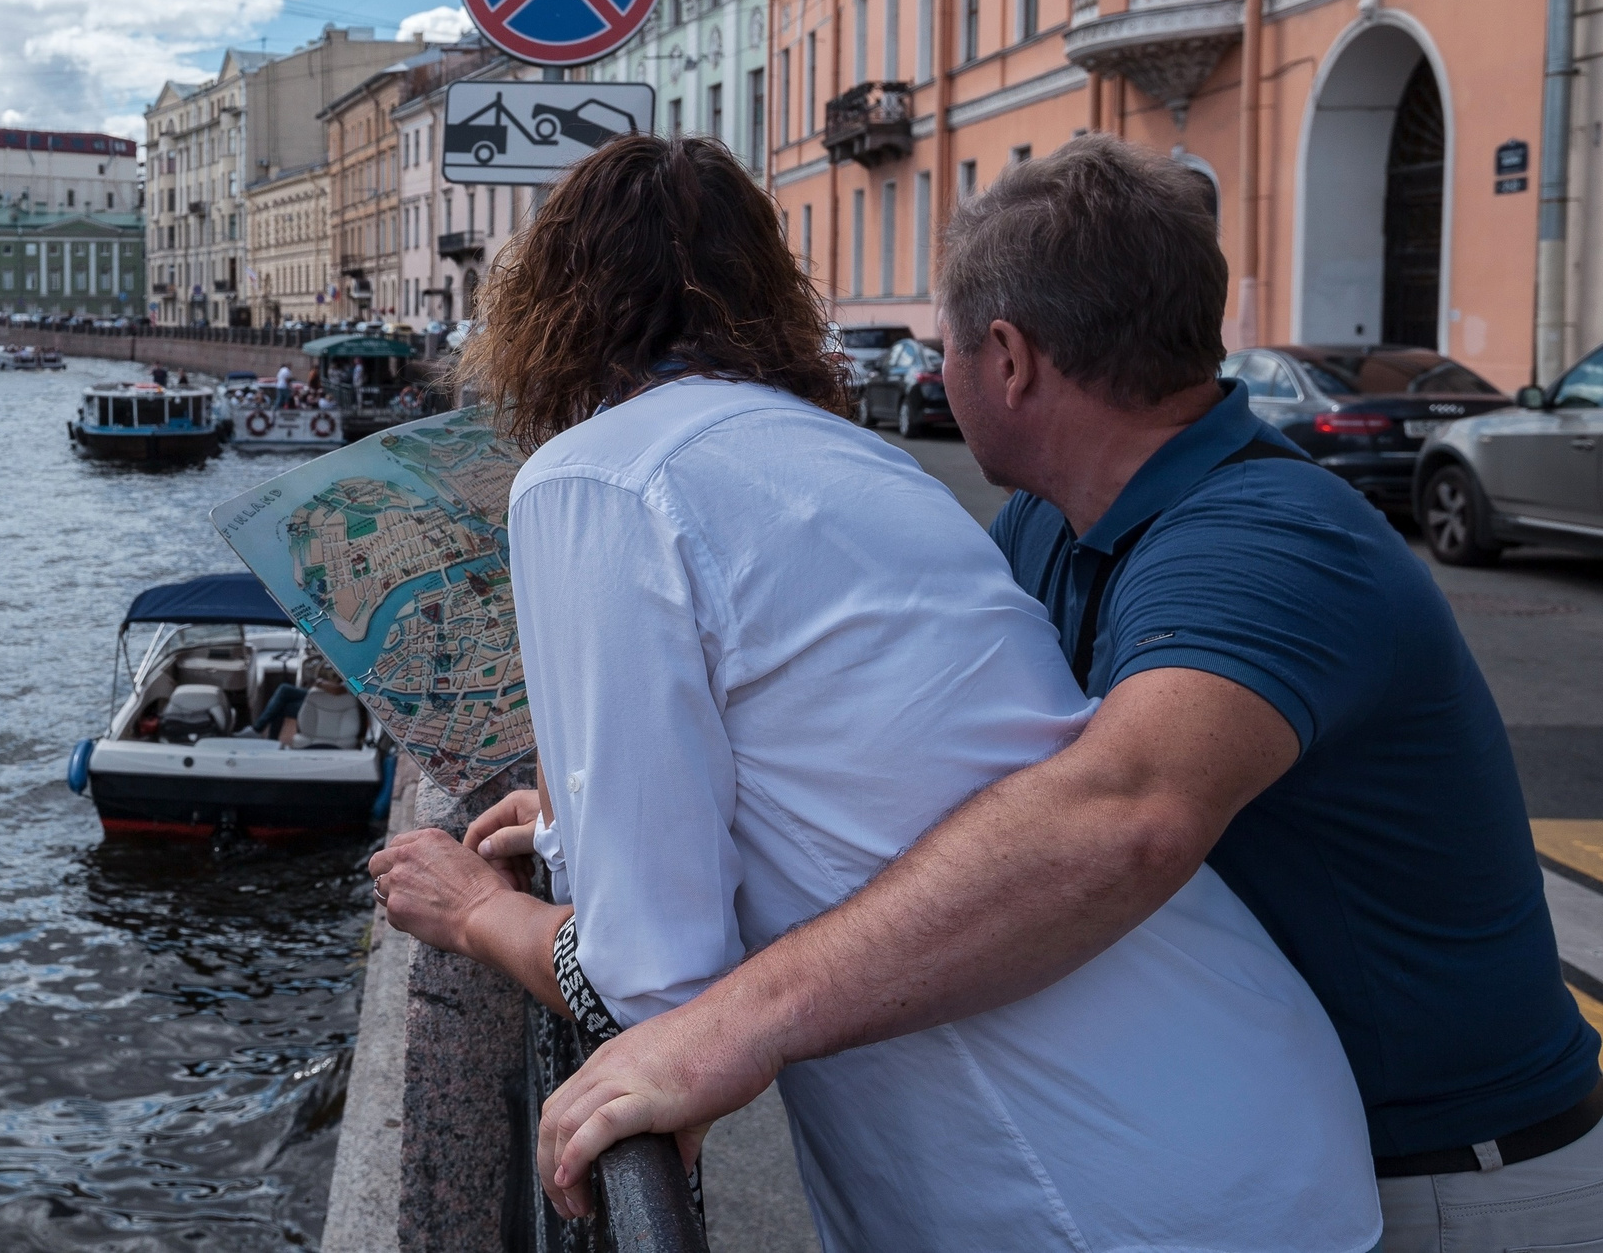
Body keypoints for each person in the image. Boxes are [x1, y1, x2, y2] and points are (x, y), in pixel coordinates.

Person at [533, 135, 1600, 1249]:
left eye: (942, 345)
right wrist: (587, 810)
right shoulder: (1051, 523)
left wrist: (728, 1027)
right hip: (1296, 1130)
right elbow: (911, 759)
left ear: (1006, 358)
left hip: (1450, 1175)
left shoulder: (1272, 542)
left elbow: (1119, 816)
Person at [367, 134, 1377, 1249]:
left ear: (548, 311)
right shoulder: (855, 459)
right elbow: (845, 767)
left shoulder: (591, 475)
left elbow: (650, 993)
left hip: (1080, 1185)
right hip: (1250, 1118)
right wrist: (572, 830)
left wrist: (477, 913)